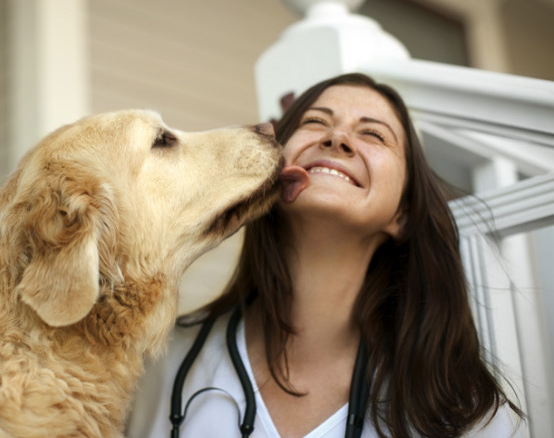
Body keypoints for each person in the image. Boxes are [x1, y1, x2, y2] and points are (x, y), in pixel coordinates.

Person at [127, 73, 525, 438]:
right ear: (273, 170)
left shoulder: (468, 414)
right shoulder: (154, 365)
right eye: (315, 122)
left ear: (402, 214)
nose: (338, 139)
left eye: (374, 135)